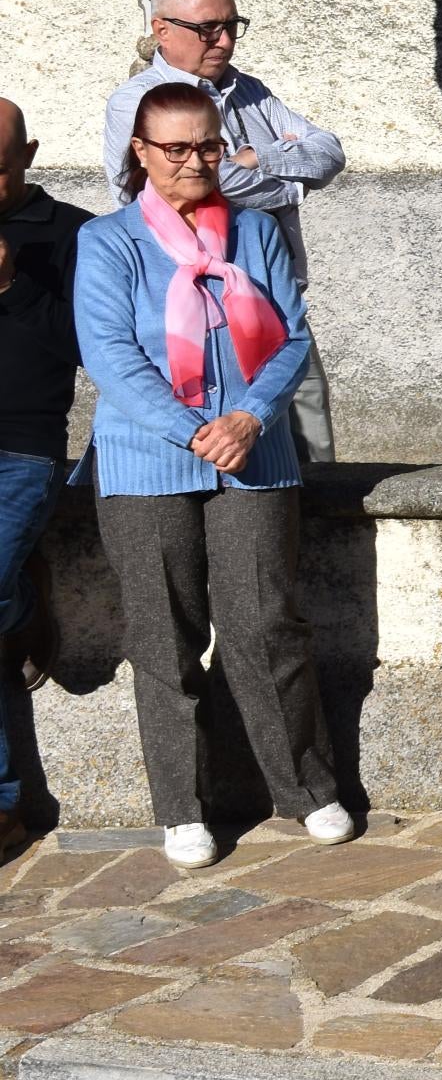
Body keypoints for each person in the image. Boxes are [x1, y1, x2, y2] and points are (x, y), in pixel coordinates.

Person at [77, 83, 355, 871]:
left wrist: (249, 420)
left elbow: (290, 337)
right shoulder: (109, 243)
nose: (197, 161)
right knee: (162, 636)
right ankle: (182, 807)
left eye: (207, 145)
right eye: (177, 148)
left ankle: (306, 788)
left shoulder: (257, 231)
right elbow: (110, 357)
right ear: (141, 153)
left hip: (253, 455)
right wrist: (193, 429)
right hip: (145, 459)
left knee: (268, 624)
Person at [103, 0, 345, 460]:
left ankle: (309, 524)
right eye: (208, 29)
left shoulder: (250, 90)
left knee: (307, 417)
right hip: (187, 297)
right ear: (162, 29)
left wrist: (261, 156)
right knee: (214, 424)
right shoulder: (138, 101)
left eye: (233, 25)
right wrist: (290, 189)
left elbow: (330, 152)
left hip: (271, 286)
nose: (226, 40)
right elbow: (202, 183)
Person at [0, 98, 85, 855]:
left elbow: (86, 345)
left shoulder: (72, 234)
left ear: (28, 155)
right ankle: (20, 606)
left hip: (19, 447)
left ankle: (3, 803)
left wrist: (14, 290)